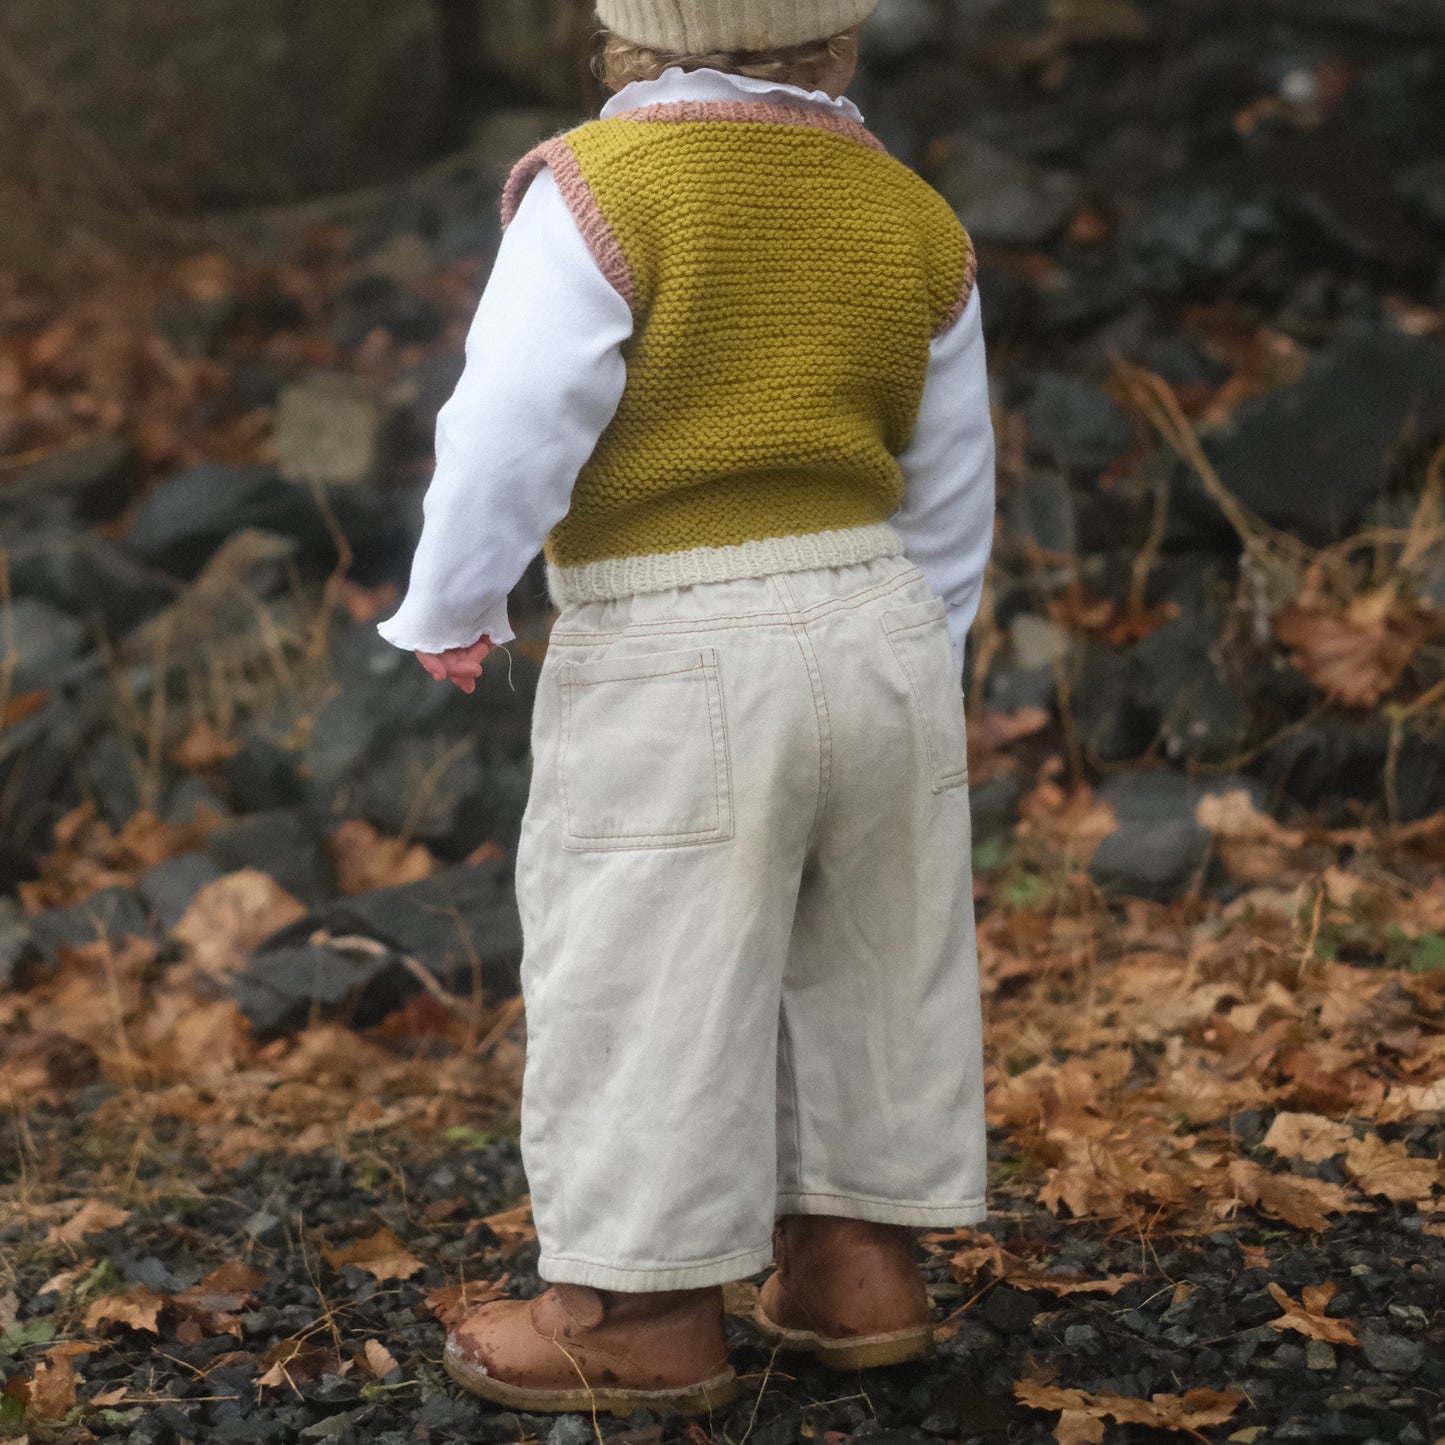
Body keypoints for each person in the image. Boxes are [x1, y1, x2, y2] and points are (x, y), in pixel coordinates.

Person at [377, 0, 996, 1418]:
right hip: (877, 616)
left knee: (643, 963)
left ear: (626, 38)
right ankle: (855, 1261)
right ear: (836, 39)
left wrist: (453, 598)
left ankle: (637, 1307)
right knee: (872, 955)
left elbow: (514, 408)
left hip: (674, 629)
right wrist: (926, 650)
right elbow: (953, 463)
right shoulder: (911, 214)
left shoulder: (602, 188)